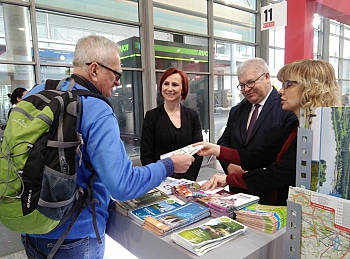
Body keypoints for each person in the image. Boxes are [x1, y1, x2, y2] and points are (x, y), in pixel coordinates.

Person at [21, 35, 194, 259]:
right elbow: (122, 185)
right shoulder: (96, 109)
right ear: (94, 69)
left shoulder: (38, 92)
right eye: (116, 74)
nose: (119, 82)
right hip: (74, 236)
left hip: (29, 225)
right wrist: (169, 165)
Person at [196, 59, 340, 206]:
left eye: (287, 85)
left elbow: (279, 174)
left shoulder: (321, 134)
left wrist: (228, 179)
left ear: (311, 88)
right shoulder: (299, 127)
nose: (281, 91)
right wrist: (217, 150)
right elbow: (263, 154)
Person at [217, 58, 297, 194]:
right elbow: (224, 141)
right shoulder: (237, 110)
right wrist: (230, 165)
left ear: (266, 77)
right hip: (237, 191)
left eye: (250, 82)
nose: (246, 89)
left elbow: (274, 156)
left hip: (270, 191)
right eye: (242, 85)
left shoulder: (287, 108)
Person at [141, 67, 203, 181]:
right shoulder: (151, 116)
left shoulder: (192, 116)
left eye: (175, 85)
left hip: (186, 180)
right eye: (166, 84)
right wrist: (156, 178)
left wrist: (187, 181)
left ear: (183, 89)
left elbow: (198, 152)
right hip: (159, 179)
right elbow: (146, 155)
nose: (169, 89)